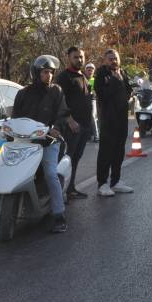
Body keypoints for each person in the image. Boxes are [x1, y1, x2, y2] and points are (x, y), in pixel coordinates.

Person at [0, 54, 69, 233]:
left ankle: (59, 215)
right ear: (36, 72)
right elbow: (15, 116)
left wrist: (56, 127)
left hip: (47, 141)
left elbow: (62, 113)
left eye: (51, 72)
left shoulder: (56, 91)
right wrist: (7, 128)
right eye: (45, 72)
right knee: (1, 170)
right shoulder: (23, 93)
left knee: (50, 174)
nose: (48, 75)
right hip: (23, 142)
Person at [93, 49, 135, 197]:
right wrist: (115, 82)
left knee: (119, 151)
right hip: (108, 119)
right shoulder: (101, 74)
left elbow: (129, 90)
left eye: (115, 58)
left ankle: (115, 181)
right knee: (106, 152)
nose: (113, 61)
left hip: (122, 118)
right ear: (105, 60)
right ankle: (102, 183)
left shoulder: (122, 73)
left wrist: (124, 90)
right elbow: (102, 93)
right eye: (110, 59)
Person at [55, 46, 94, 200]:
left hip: (84, 125)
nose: (79, 59)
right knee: (66, 159)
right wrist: (69, 120)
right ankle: (60, 193)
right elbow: (60, 101)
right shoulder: (64, 77)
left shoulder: (83, 76)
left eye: (81, 57)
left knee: (76, 158)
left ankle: (70, 188)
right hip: (71, 126)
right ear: (69, 58)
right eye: (76, 57)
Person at [84, 62, 98, 142]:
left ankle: (97, 136)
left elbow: (97, 91)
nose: (90, 72)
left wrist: (93, 92)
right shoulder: (82, 79)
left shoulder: (95, 80)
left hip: (92, 100)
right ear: (85, 71)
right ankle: (87, 135)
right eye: (88, 70)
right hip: (83, 101)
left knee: (92, 116)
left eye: (91, 70)